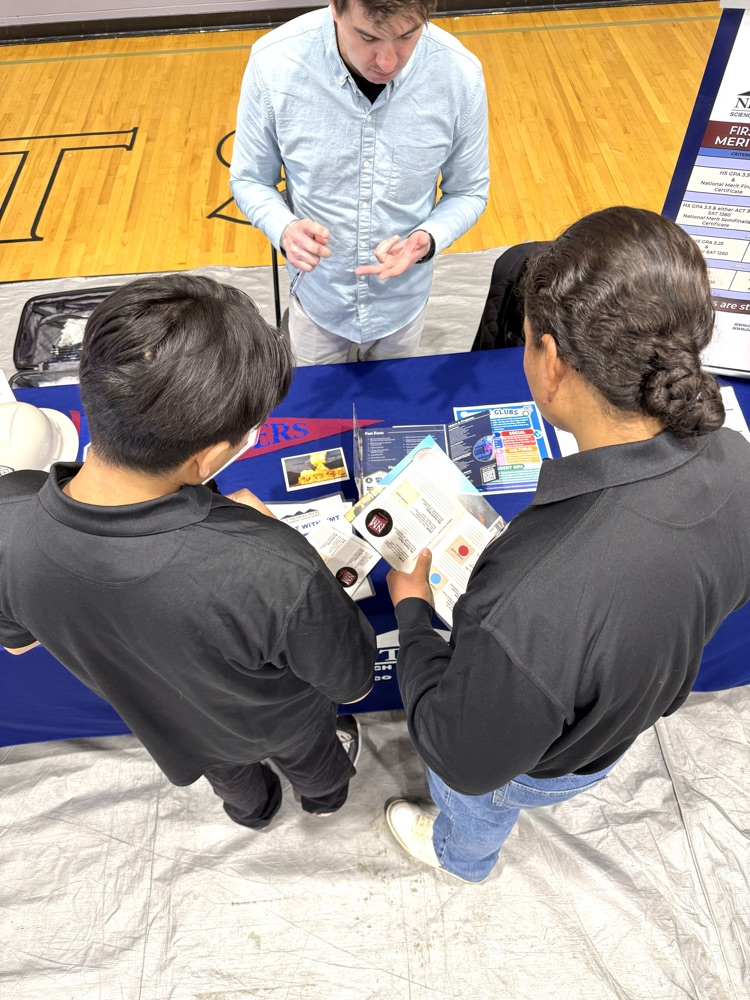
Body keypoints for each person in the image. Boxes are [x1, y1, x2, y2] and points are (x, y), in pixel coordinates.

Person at [383, 206, 750, 883]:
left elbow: (463, 758)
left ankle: (463, 857)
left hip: (533, 767)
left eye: (525, 342)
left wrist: (412, 613)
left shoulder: (531, 597)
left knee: (476, 805)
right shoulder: (738, 461)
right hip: (613, 727)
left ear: (551, 362)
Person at [0, 274, 376, 830]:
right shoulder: (274, 570)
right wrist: (285, 555)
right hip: (282, 721)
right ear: (214, 454)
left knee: (231, 778)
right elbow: (352, 679)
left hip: (173, 729)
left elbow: (20, 641)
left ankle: (252, 812)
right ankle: (323, 800)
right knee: (315, 765)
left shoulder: (7, 516)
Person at [229, 0, 489, 365]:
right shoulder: (274, 63)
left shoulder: (460, 74)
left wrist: (429, 237)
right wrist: (284, 229)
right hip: (317, 298)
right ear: (336, 9)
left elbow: (469, 191)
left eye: (407, 35)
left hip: (403, 303)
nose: (387, 61)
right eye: (367, 37)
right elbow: (249, 179)